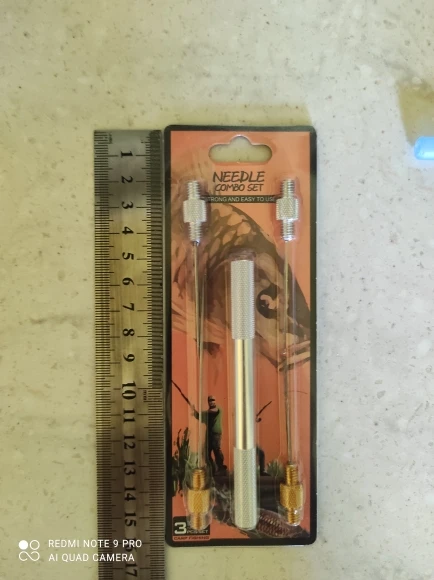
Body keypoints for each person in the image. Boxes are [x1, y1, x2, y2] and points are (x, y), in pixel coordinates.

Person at [192, 395, 226, 474]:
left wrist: (198, 413)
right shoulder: (207, 413)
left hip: (216, 434)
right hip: (209, 435)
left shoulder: (218, 409)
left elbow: (212, 412)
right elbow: (199, 417)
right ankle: (213, 469)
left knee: (216, 450)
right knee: (206, 453)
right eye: (210, 401)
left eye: (213, 400)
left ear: (215, 401)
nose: (212, 402)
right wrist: (194, 411)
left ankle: (220, 468)